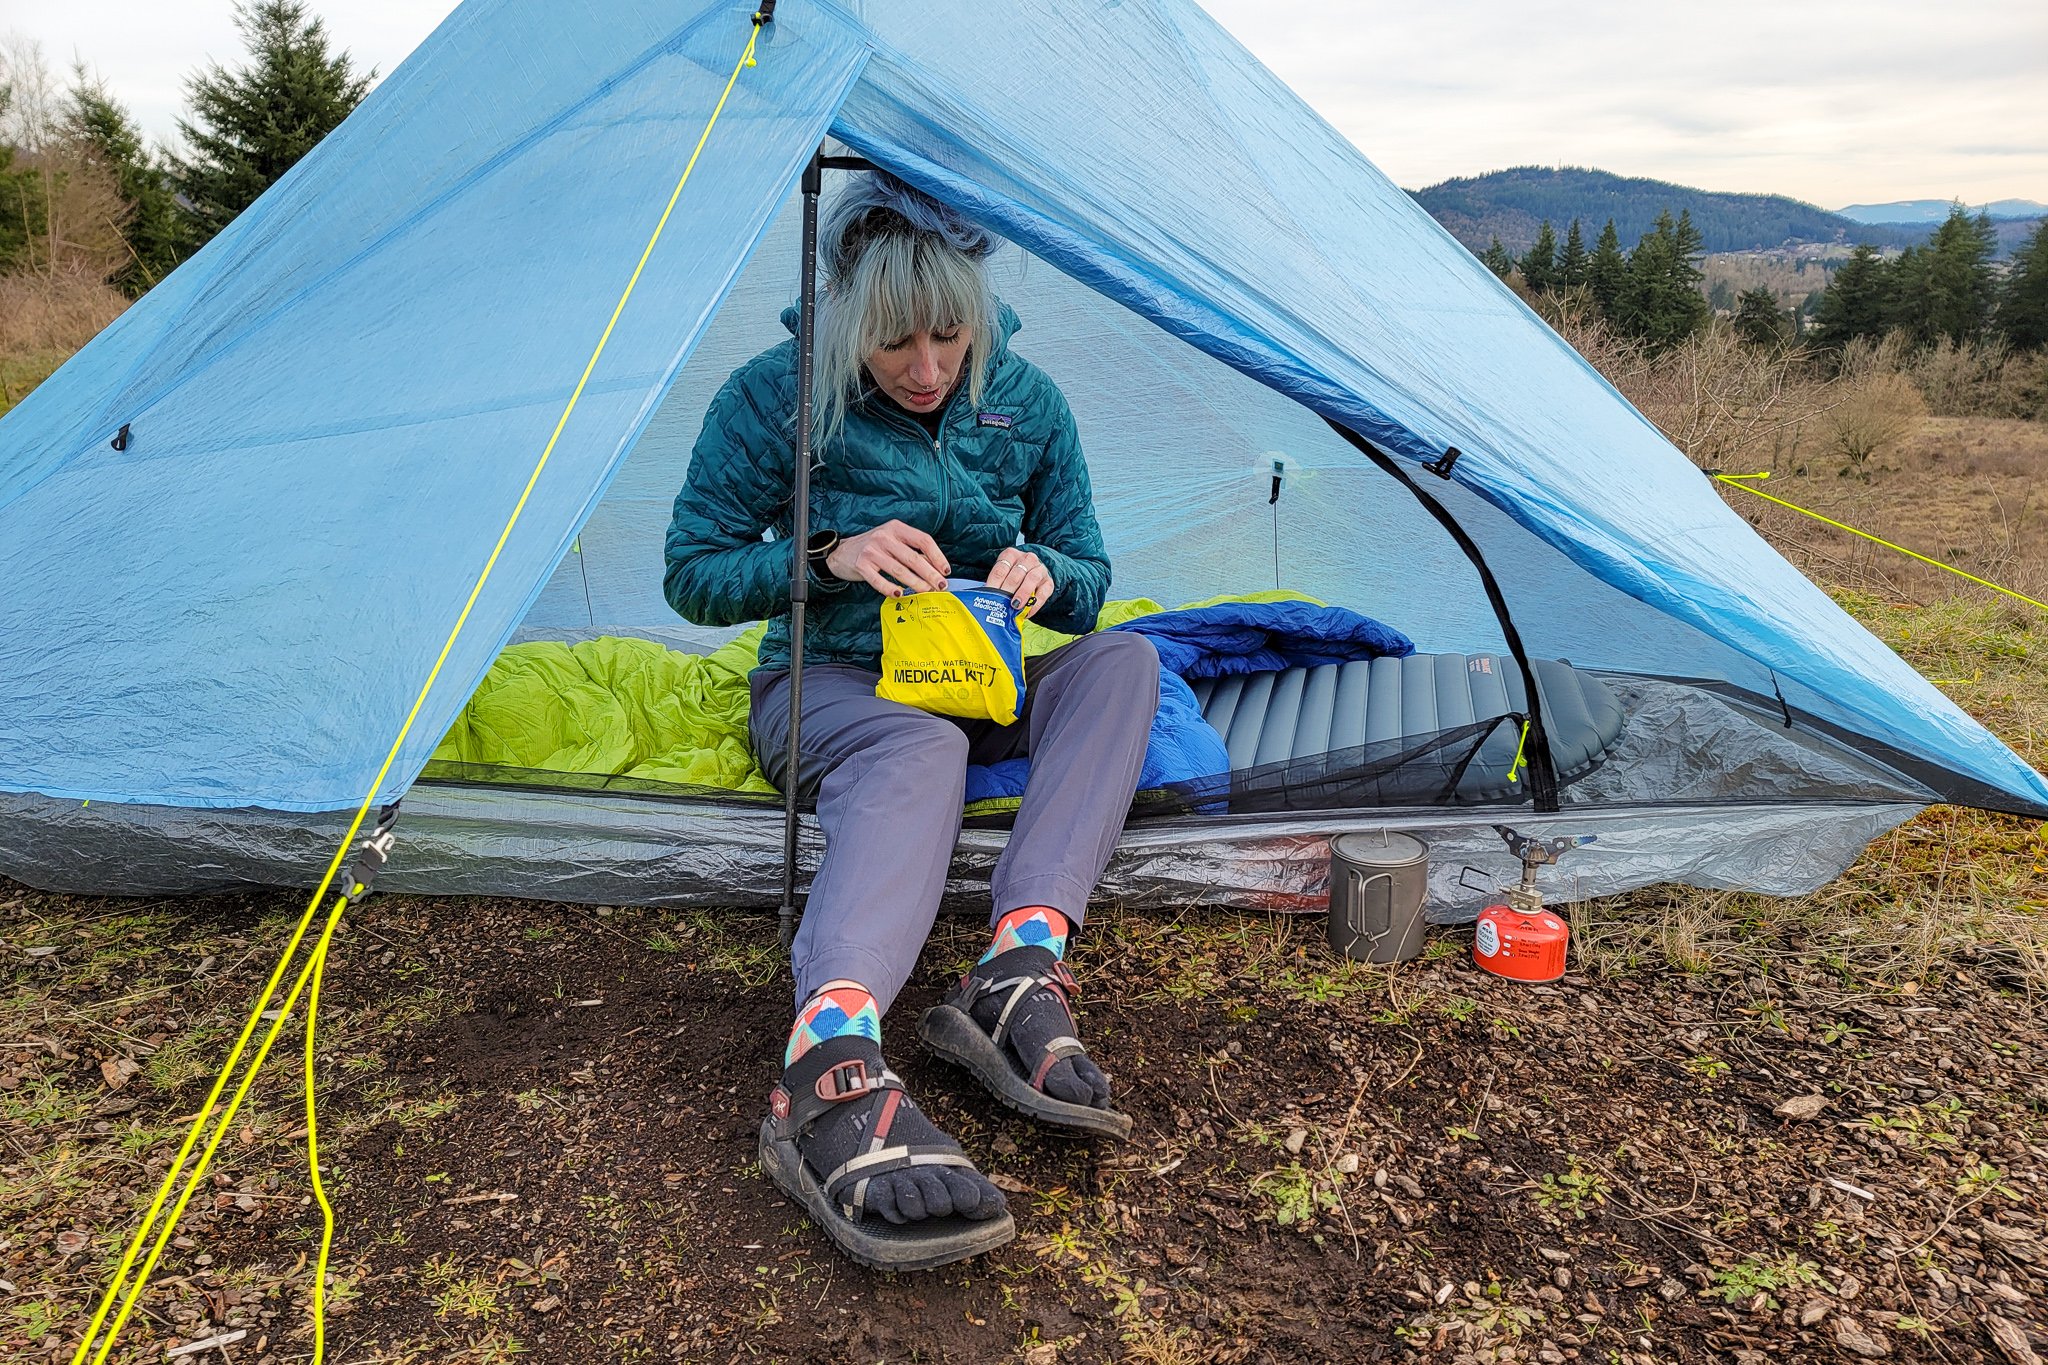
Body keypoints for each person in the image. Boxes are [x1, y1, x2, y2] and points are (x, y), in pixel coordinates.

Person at [662, 172, 1159, 1269]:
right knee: (917, 741)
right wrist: (822, 557)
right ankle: (827, 1057)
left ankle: (1016, 969)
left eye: (949, 338)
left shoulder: (1024, 399)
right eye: (895, 344)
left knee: (1124, 660)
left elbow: (1090, 571)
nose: (927, 369)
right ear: (847, 319)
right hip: (832, 685)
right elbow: (690, 575)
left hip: (979, 675)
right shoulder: (775, 398)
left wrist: (1048, 573)